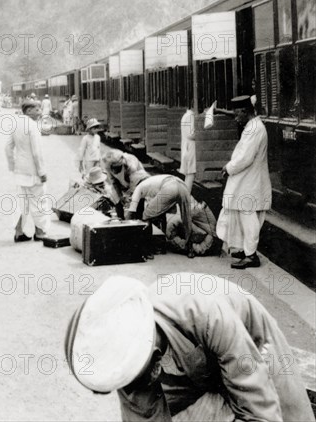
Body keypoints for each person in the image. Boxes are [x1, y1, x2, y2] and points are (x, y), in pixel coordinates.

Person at [65, 274, 315, 422]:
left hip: (252, 346)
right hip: (194, 363)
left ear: (153, 362)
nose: (133, 390)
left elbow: (259, 412)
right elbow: (144, 415)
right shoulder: (127, 361)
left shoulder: (206, 313)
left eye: (140, 380)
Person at [217, 95, 272, 269]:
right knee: (243, 215)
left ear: (244, 111)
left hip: (250, 181)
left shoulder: (254, 129)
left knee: (248, 217)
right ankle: (244, 250)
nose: (235, 117)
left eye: (236, 114)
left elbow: (245, 158)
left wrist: (228, 167)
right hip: (247, 180)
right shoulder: (252, 126)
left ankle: (251, 255)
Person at [5, 98, 49, 242]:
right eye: (37, 109)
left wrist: (13, 165)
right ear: (28, 111)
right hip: (33, 172)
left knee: (21, 203)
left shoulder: (16, 124)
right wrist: (42, 172)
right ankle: (40, 232)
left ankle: (18, 233)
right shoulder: (33, 126)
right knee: (39, 201)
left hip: (20, 171)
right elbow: (37, 152)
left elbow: (8, 147)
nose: (40, 112)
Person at [127, 174, 193, 256]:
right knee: (186, 217)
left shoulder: (138, 188)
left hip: (170, 187)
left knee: (146, 215)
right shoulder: (151, 182)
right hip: (182, 185)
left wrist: (126, 225)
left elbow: (131, 211)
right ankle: (190, 248)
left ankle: (147, 249)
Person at [102, 149, 150, 216]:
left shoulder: (131, 163)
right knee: (117, 201)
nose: (114, 170)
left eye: (116, 167)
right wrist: (120, 197)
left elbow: (134, 185)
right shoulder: (107, 165)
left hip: (138, 181)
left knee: (137, 203)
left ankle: (138, 219)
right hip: (124, 181)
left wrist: (130, 199)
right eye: (113, 168)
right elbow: (114, 182)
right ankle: (120, 220)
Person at [179, 107, 196, 191]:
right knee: (191, 173)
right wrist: (202, 133)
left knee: (189, 174)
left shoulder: (186, 115)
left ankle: (185, 196)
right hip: (190, 148)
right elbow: (191, 134)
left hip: (187, 147)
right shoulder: (190, 116)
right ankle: (186, 196)